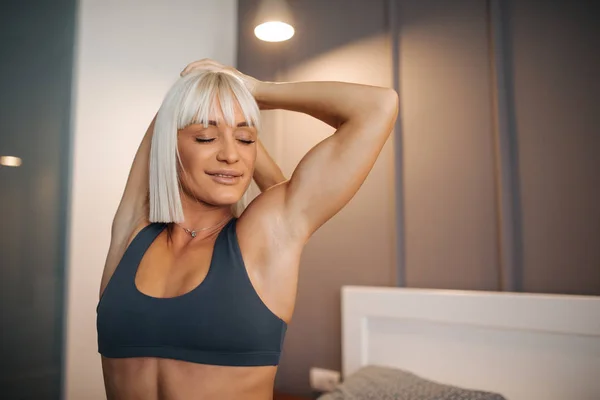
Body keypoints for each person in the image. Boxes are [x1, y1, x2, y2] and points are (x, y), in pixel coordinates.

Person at [96, 58, 398, 400]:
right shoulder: (131, 233)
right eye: (206, 137)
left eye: (246, 139)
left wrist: (255, 90)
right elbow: (168, 121)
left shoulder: (265, 234)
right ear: (172, 146)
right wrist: (204, 90)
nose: (230, 154)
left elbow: (379, 105)